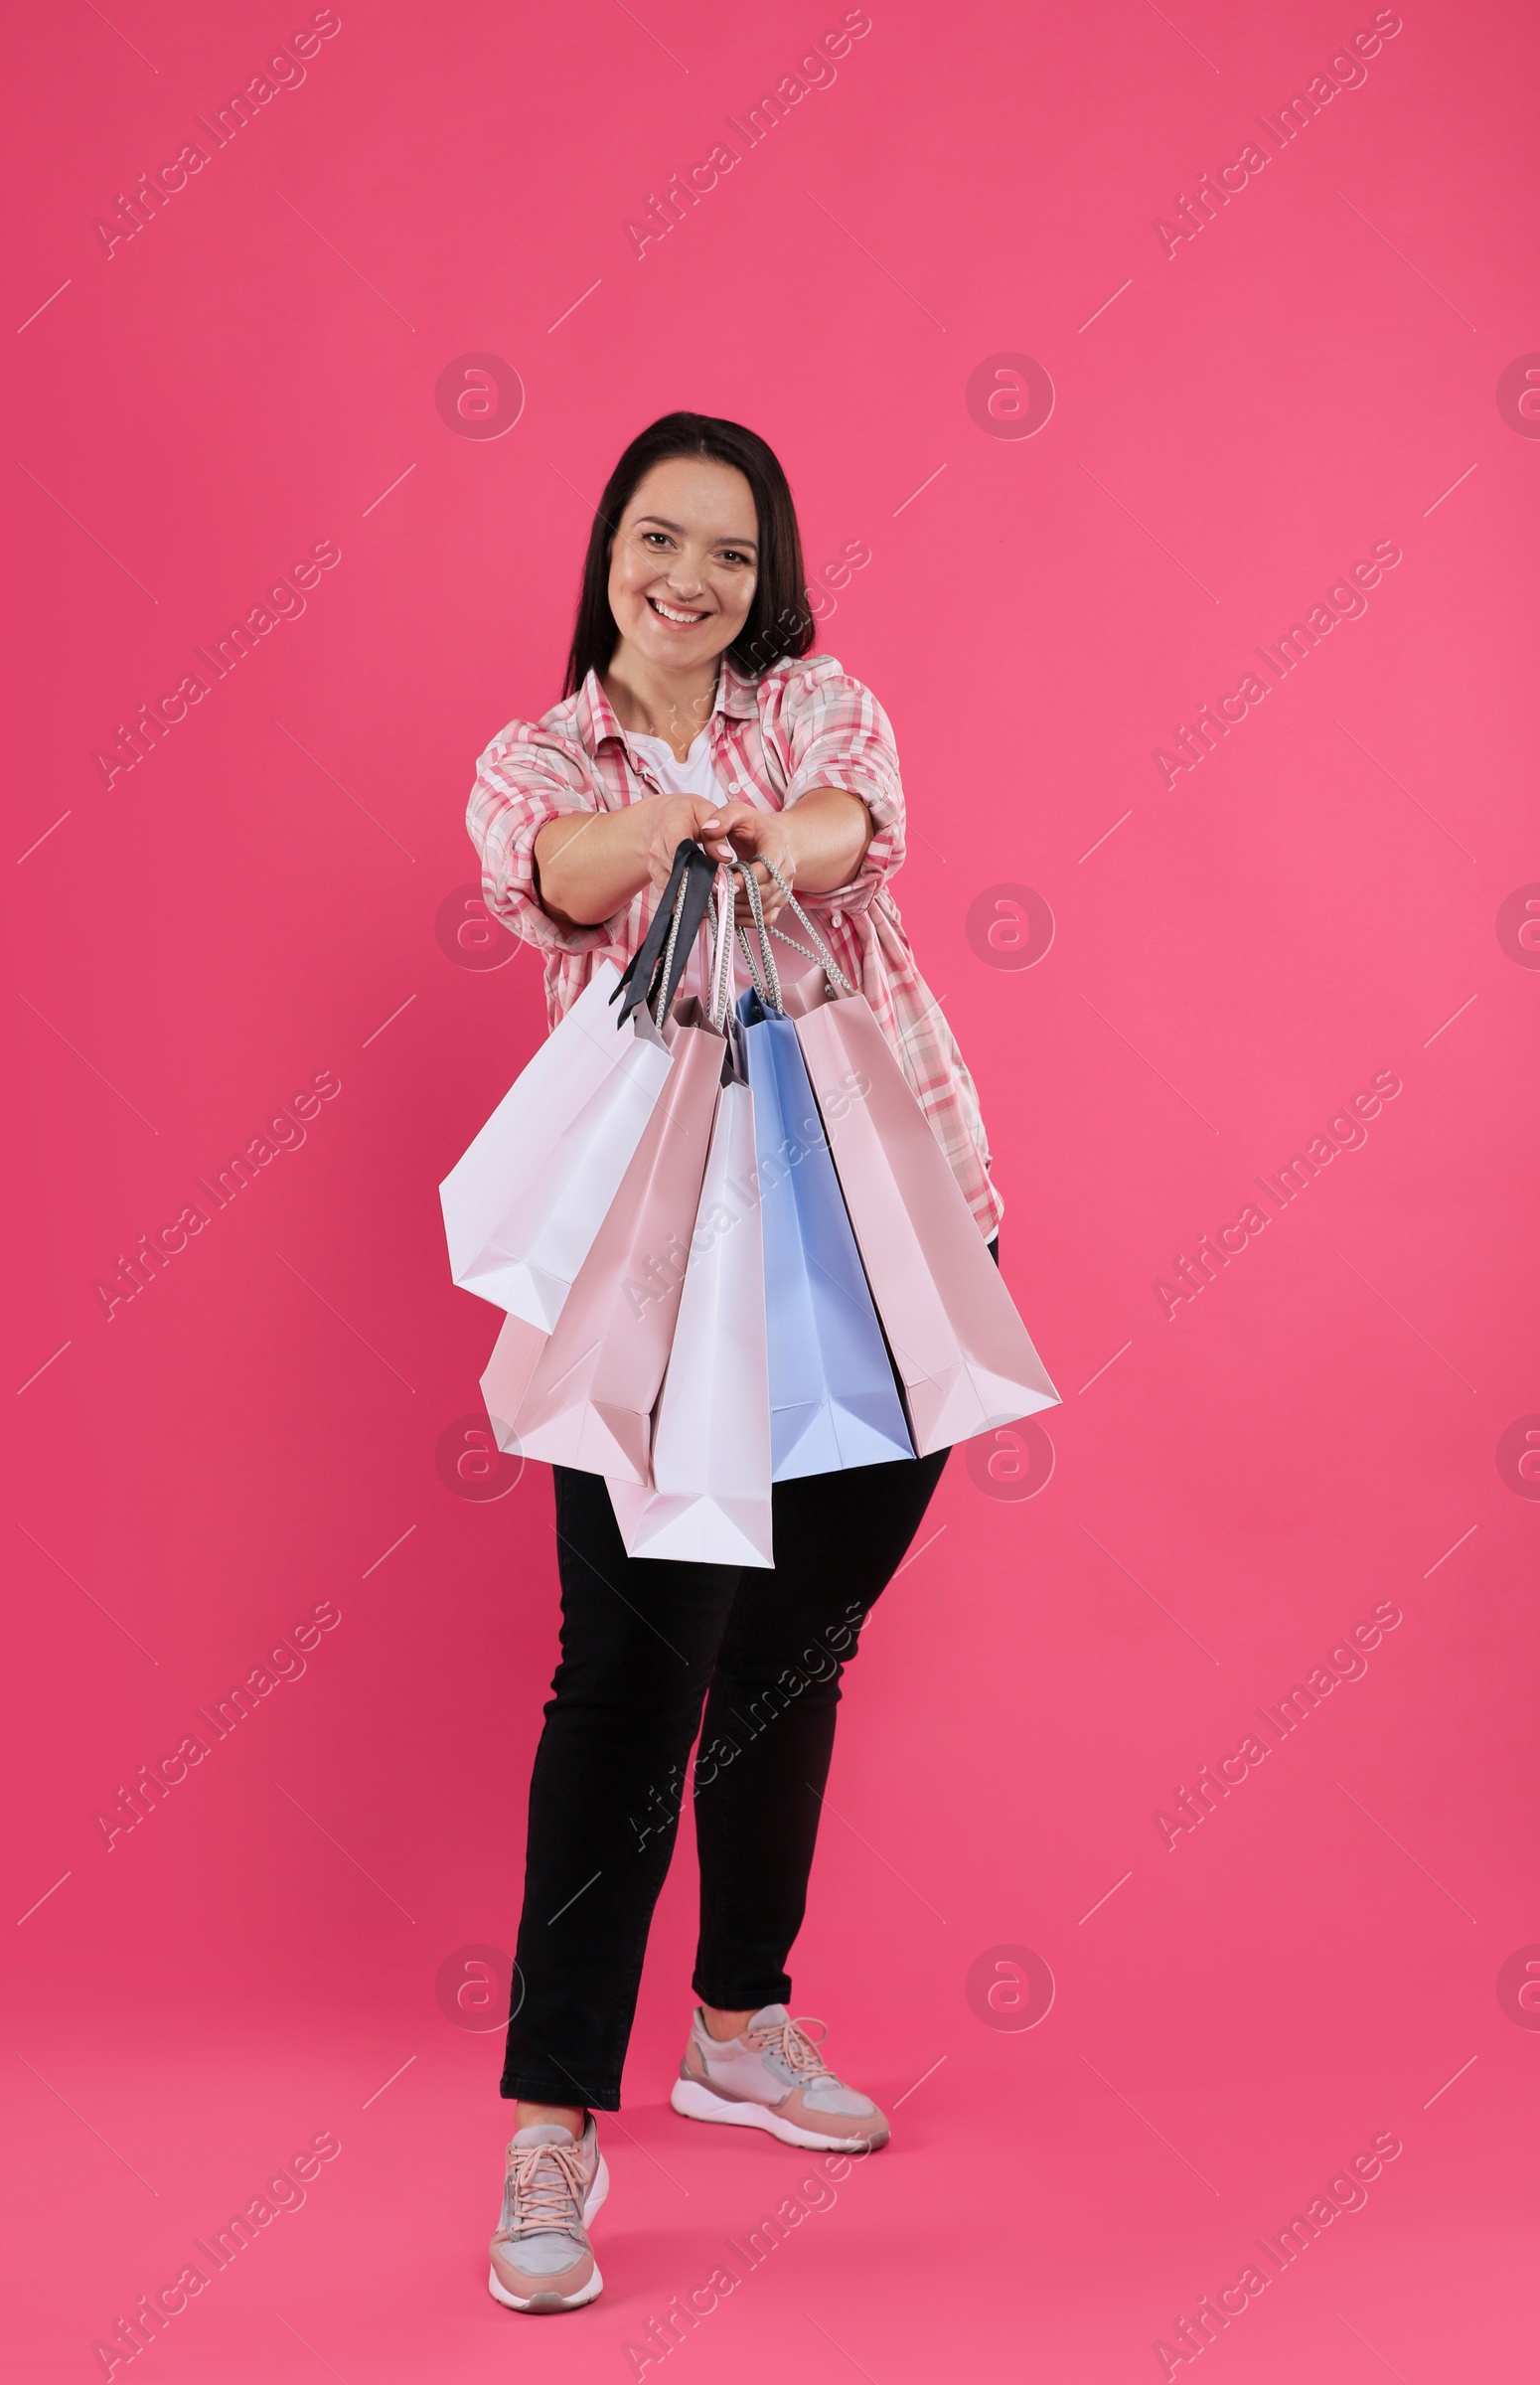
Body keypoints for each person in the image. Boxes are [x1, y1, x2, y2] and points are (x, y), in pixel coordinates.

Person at [466, 411, 1001, 2313]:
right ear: (606, 547)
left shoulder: (815, 706)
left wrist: (776, 831)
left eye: (730, 553)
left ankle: (740, 2017)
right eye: (657, 540)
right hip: (664, 1288)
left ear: (769, 578)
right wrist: (673, 835)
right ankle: (552, 2125)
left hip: (878, 1247)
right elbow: (552, 869)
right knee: (626, 1682)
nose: (690, 580)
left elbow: (864, 824)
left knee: (791, 1661)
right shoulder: (542, 755)